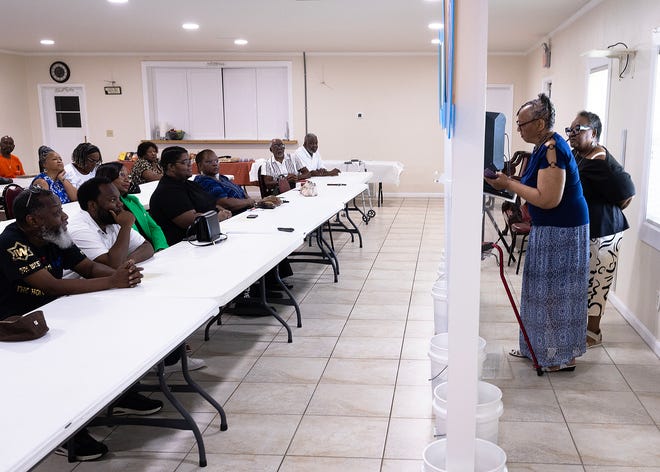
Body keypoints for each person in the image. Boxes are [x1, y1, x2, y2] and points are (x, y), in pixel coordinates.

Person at [0, 186, 159, 461]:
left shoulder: (53, 234)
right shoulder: (12, 243)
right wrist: (112, 281)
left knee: (103, 338)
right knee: (56, 371)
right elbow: (51, 286)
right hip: (16, 326)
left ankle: (119, 395)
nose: (64, 217)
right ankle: (59, 433)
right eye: (56, 212)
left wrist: (122, 274)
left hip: (55, 312)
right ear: (33, 220)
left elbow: (87, 267)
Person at [485, 93, 589, 372]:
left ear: (541, 123)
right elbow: (535, 189)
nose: (518, 129)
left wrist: (508, 183)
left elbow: (547, 199)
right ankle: (537, 348)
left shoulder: (554, 149)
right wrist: (505, 184)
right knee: (540, 292)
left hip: (564, 231)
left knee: (557, 294)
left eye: (522, 124)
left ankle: (560, 358)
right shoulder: (544, 147)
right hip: (550, 229)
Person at [567, 111, 635, 348]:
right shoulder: (581, 155)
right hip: (589, 228)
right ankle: (582, 326)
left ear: (593, 133)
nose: (572, 133)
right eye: (571, 129)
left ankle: (593, 331)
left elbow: (628, 193)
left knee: (598, 281)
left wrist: (606, 209)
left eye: (578, 129)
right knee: (586, 280)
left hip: (605, 230)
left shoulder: (600, 160)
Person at [149, 146, 232, 245]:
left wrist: (223, 211)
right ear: (171, 167)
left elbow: (211, 203)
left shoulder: (189, 184)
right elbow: (190, 221)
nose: (189, 165)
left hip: (209, 234)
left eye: (189, 161)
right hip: (184, 244)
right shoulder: (167, 191)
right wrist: (217, 217)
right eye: (184, 162)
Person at [68, 177, 154, 268]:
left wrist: (128, 261)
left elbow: (147, 247)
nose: (120, 204)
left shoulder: (109, 219)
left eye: (119, 199)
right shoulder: (79, 229)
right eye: (113, 200)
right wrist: (126, 227)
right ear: (92, 206)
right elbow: (112, 265)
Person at [96, 162, 169, 252]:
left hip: (152, 251)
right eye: (122, 175)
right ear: (107, 178)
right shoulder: (104, 209)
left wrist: (161, 248)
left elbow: (153, 227)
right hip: (134, 256)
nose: (127, 180)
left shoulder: (132, 200)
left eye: (129, 176)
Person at [193, 149, 281, 215]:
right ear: (199, 166)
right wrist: (249, 202)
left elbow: (241, 191)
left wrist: (255, 202)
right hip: (234, 215)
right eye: (209, 162)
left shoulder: (221, 177)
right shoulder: (205, 181)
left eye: (216, 161)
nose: (215, 164)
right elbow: (226, 203)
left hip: (246, 210)